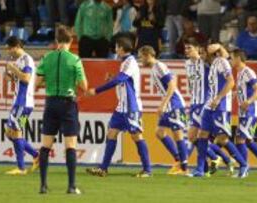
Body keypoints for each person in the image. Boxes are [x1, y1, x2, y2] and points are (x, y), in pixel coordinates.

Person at [86, 37, 152, 178]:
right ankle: (103, 168)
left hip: (131, 107)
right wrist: (112, 79)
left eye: (116, 47)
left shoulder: (130, 62)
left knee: (136, 136)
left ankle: (147, 170)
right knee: (111, 133)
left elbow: (120, 79)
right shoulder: (125, 62)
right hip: (121, 107)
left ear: (121, 48)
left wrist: (96, 90)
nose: (115, 49)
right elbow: (122, 81)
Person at [35, 26, 88, 194]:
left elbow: (36, 84)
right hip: (67, 104)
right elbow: (84, 86)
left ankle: (43, 185)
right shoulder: (75, 60)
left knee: (45, 146)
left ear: (56, 41)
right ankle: (71, 186)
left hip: (50, 104)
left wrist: (50, 83)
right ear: (71, 41)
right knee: (70, 146)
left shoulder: (46, 58)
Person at [192, 44, 249, 178]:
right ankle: (200, 169)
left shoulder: (222, 62)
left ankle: (243, 164)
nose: (201, 56)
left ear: (211, 53)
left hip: (221, 106)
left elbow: (231, 82)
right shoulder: (212, 64)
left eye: (203, 53)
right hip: (209, 105)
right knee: (202, 135)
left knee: (222, 139)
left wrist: (218, 98)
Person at [184, 38, 235, 176]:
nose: (186, 51)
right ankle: (220, 159)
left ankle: (210, 163)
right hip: (194, 103)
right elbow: (191, 82)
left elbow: (225, 58)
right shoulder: (187, 64)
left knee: (199, 135)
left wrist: (219, 46)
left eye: (189, 48)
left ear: (197, 48)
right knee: (196, 137)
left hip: (205, 102)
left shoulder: (205, 61)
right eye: (185, 48)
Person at [138, 45, 188, 175]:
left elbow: (172, 85)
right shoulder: (155, 68)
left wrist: (163, 104)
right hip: (169, 105)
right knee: (159, 132)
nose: (140, 60)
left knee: (178, 134)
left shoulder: (159, 66)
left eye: (141, 57)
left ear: (148, 54)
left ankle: (184, 167)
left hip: (174, 104)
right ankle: (178, 159)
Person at [230, 49, 257, 175]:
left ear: (239, 58)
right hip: (245, 112)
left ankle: (244, 169)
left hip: (249, 111)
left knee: (240, 139)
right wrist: (235, 94)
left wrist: (248, 101)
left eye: (232, 58)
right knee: (248, 141)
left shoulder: (248, 72)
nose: (230, 61)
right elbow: (245, 90)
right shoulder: (240, 73)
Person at [3, 36, 39, 175]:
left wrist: (13, 68)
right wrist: (10, 76)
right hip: (20, 103)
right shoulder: (18, 61)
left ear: (17, 46)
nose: (8, 51)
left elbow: (26, 78)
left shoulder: (26, 59)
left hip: (23, 103)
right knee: (10, 132)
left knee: (15, 131)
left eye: (9, 48)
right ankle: (36, 155)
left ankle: (21, 167)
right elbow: (19, 79)